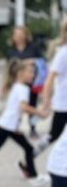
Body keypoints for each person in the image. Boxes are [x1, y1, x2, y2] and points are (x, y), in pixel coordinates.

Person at [7, 25, 43, 139]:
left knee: (32, 105)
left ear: (25, 35)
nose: (19, 36)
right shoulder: (11, 50)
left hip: (32, 80)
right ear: (13, 37)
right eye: (16, 34)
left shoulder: (33, 48)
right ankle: (15, 128)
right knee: (18, 106)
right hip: (17, 82)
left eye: (21, 34)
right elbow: (9, 66)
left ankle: (33, 129)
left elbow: (41, 61)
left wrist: (31, 60)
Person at [40, 18, 67, 146]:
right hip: (63, 104)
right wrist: (46, 100)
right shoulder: (63, 53)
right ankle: (31, 155)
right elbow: (49, 79)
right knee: (54, 135)